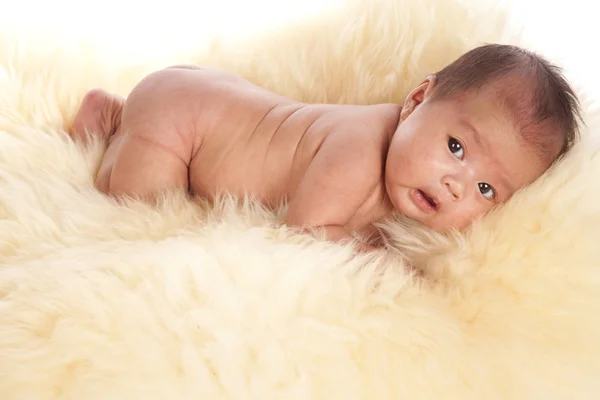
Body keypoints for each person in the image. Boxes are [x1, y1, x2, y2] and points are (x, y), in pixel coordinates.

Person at [70, 44, 581, 247]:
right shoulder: (357, 150)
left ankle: (118, 115)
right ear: (416, 100)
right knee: (136, 205)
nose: (456, 184)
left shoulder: (403, 165)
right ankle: (115, 123)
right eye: (456, 147)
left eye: (487, 188)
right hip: (185, 115)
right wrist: (372, 253)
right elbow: (305, 229)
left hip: (211, 97)